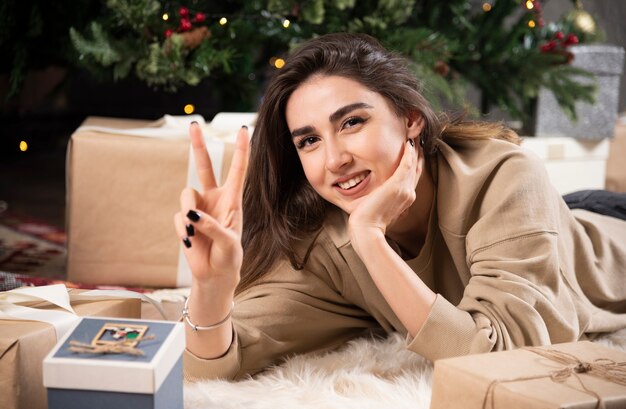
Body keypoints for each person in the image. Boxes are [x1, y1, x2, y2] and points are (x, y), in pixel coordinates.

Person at [174, 32, 626, 381]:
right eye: (309, 141)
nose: (334, 160)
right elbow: (213, 366)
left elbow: (502, 358)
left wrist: (371, 242)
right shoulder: (325, 243)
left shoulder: (505, 176)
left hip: (607, 226)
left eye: (352, 122)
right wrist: (211, 291)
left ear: (410, 118)